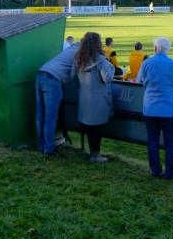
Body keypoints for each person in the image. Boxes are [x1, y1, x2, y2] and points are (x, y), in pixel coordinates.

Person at [137, 37, 173, 180]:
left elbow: (139, 80)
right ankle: (170, 173)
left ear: (155, 48)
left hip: (150, 108)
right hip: (167, 110)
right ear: (168, 49)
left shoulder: (147, 63)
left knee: (152, 140)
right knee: (171, 142)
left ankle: (155, 170)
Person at [71, 32, 115, 163]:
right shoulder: (101, 60)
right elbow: (108, 79)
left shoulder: (78, 58)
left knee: (90, 127)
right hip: (99, 99)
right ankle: (95, 155)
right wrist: (111, 67)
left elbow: (72, 75)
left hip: (84, 97)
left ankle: (91, 152)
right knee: (97, 129)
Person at [36, 41, 80, 155]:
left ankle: (41, 146)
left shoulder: (69, 49)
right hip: (53, 79)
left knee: (40, 115)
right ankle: (49, 149)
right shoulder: (79, 53)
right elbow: (73, 74)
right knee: (50, 116)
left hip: (41, 73)